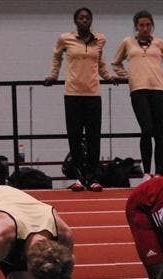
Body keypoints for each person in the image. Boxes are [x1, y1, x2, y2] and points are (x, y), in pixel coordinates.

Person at [45, 7, 117, 192]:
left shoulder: (100, 40)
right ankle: (78, 177)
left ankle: (92, 177)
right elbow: (56, 56)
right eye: (81, 18)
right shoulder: (65, 39)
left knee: (94, 137)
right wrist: (53, 75)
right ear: (75, 21)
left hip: (93, 94)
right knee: (75, 137)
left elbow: (99, 63)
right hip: (73, 94)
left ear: (91, 21)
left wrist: (108, 76)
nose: (84, 20)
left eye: (87, 18)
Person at [112, 10, 163, 177]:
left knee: (158, 131)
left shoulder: (159, 43)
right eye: (141, 25)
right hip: (138, 90)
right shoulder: (127, 43)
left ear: (152, 26)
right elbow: (116, 63)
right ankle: (146, 172)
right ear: (136, 27)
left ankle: (159, 171)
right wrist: (128, 77)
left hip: (158, 90)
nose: (145, 28)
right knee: (146, 128)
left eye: (148, 25)